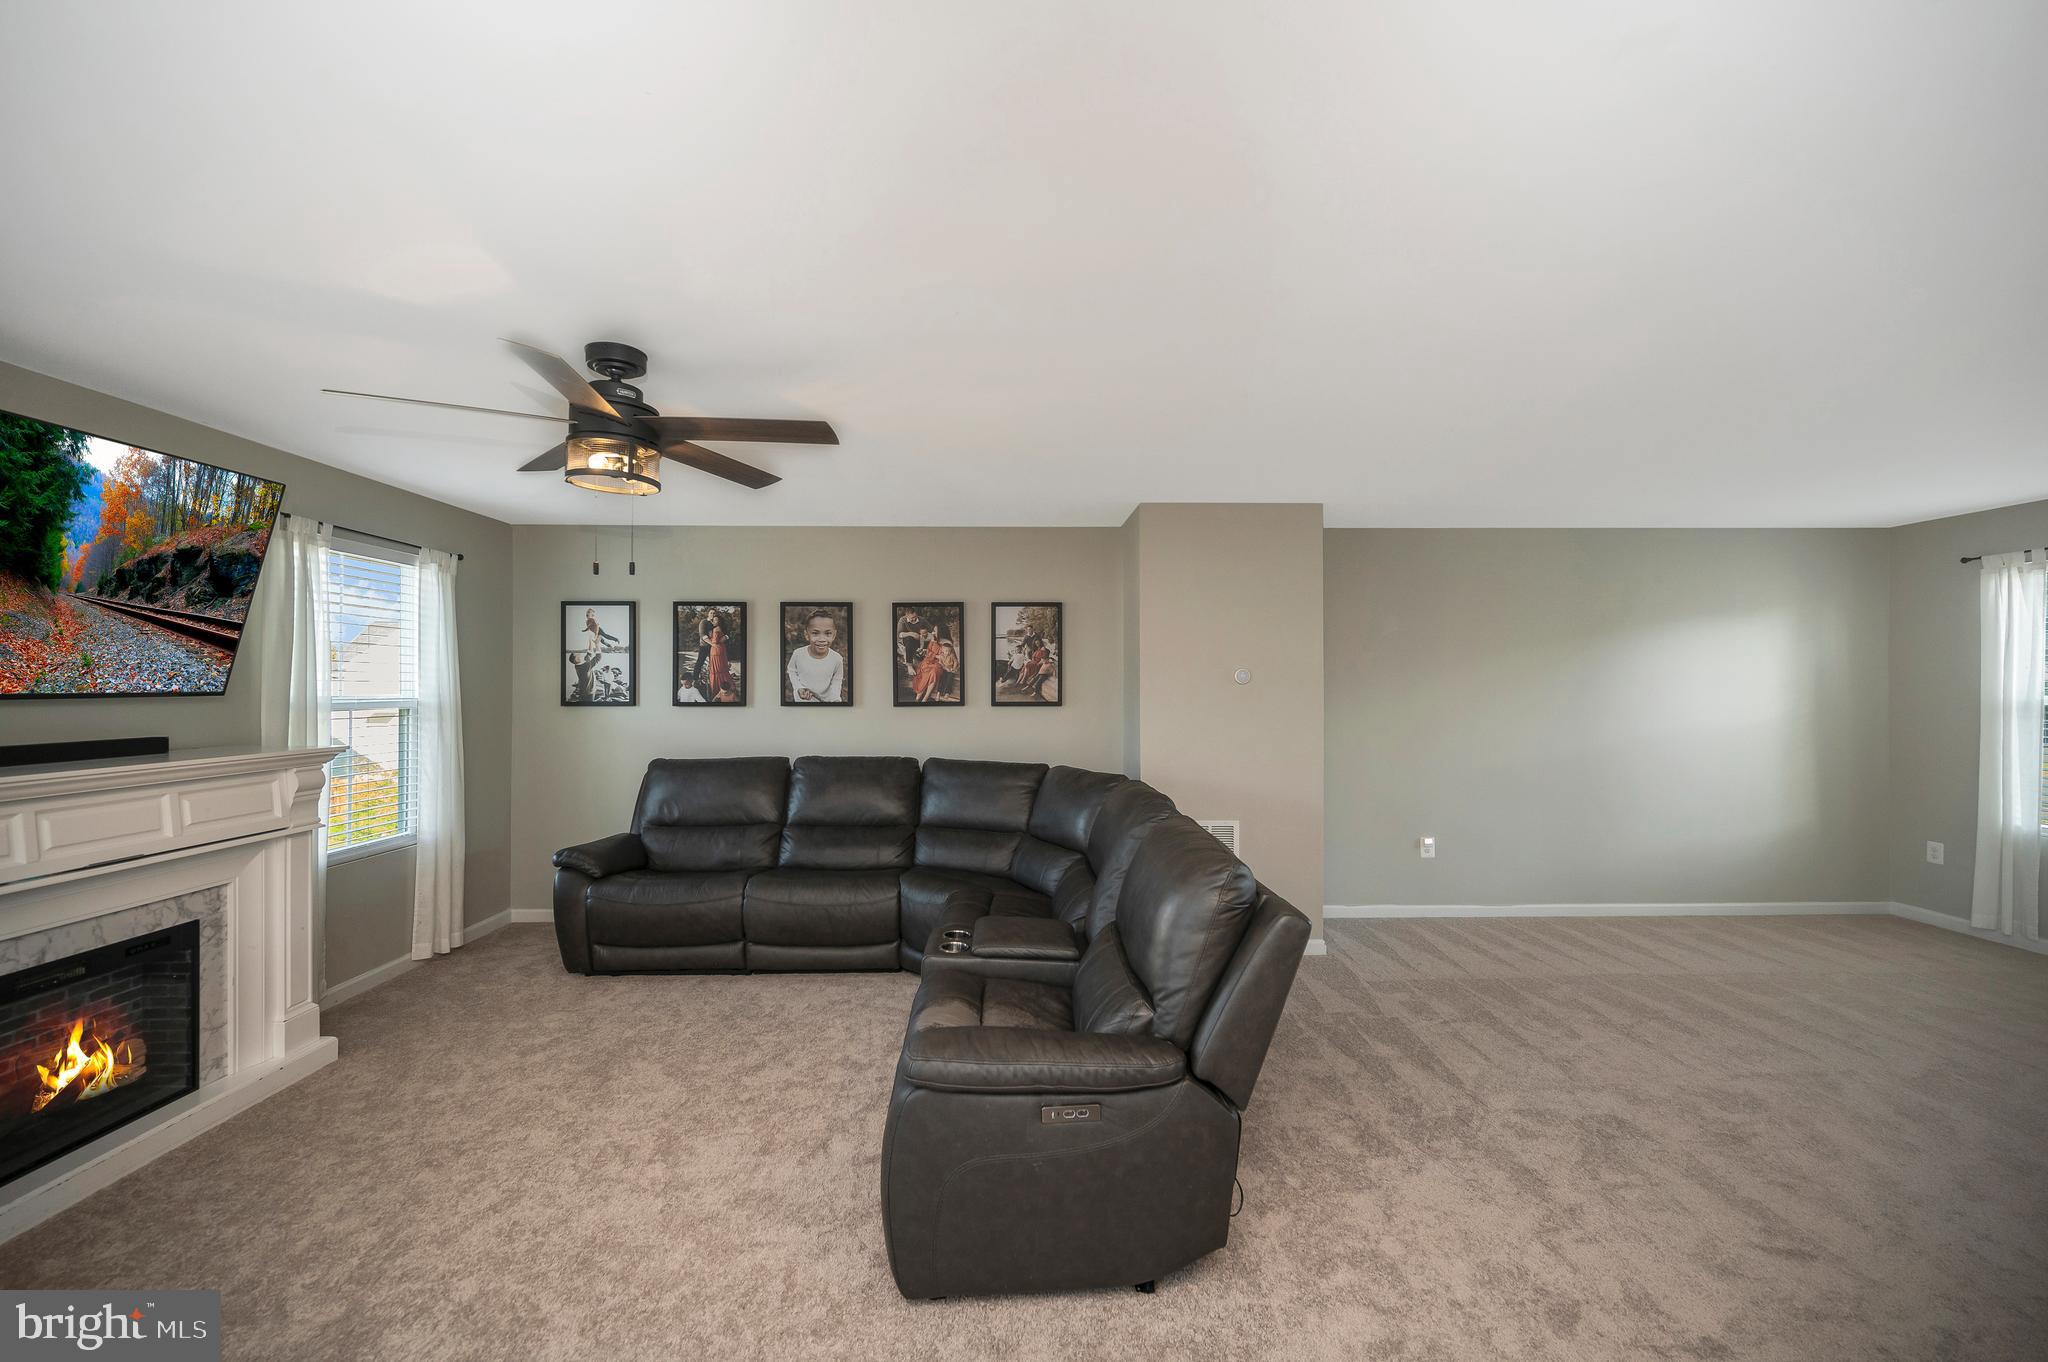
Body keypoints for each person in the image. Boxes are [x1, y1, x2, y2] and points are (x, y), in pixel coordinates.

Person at [786, 610, 845, 702]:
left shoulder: (837, 659)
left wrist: (834, 700)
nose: (822, 639)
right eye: (815, 633)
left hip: (827, 703)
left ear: (834, 635)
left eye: (828, 633)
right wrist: (799, 688)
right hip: (803, 701)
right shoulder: (798, 654)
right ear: (806, 635)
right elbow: (792, 670)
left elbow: (837, 681)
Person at [911, 628, 947, 702]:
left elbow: (944, 656)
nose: (933, 633)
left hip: (938, 663)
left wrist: (936, 656)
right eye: (933, 631)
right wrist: (934, 655)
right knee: (925, 672)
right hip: (928, 661)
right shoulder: (933, 640)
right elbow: (928, 652)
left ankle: (925, 699)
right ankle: (918, 698)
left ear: (940, 632)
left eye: (934, 631)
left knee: (934, 672)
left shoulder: (945, 642)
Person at [706, 616, 734, 701]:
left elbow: (714, 642)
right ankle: (726, 689)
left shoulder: (715, 629)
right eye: (713, 620)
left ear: (719, 621)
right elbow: (723, 638)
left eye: (716, 620)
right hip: (721, 649)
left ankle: (716, 691)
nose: (714, 621)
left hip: (715, 650)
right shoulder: (720, 628)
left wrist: (711, 639)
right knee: (722, 669)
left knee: (716, 671)